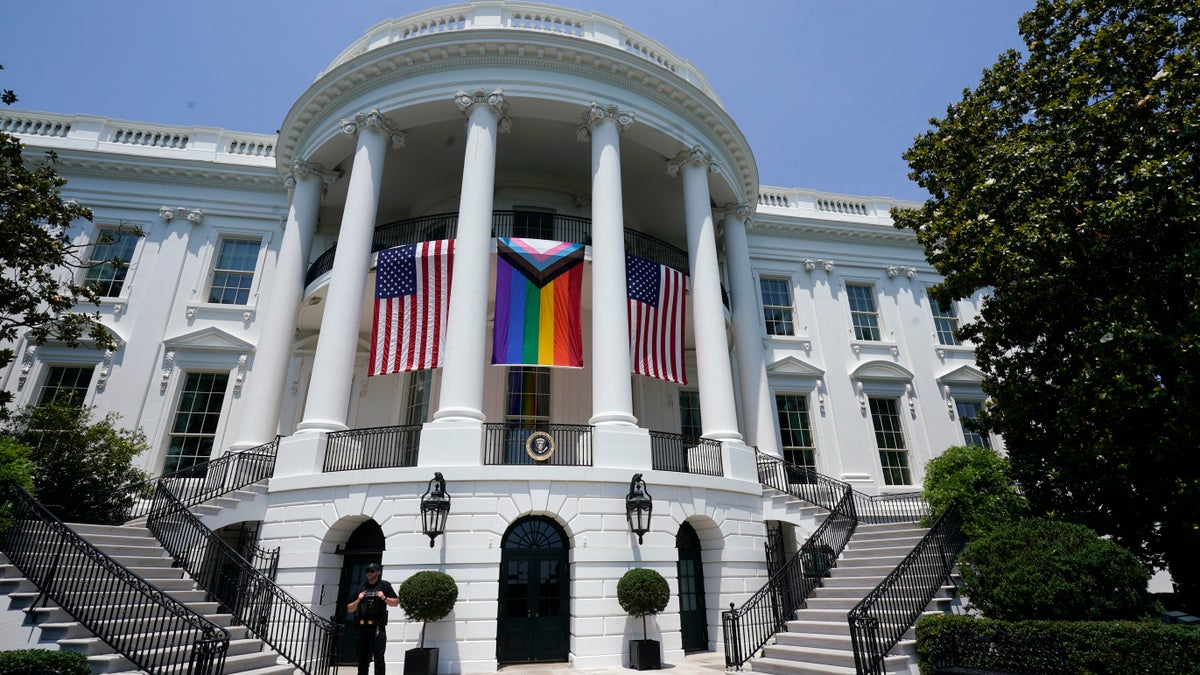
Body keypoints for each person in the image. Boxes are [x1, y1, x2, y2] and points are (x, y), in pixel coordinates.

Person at [346, 562, 399, 675]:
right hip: (362, 627)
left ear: (378, 572)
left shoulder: (384, 586)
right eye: (367, 571)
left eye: (372, 571)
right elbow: (350, 608)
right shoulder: (361, 587)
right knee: (362, 658)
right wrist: (358, 599)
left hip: (377, 627)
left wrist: (384, 597)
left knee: (379, 658)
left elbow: (395, 603)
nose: (369, 573)